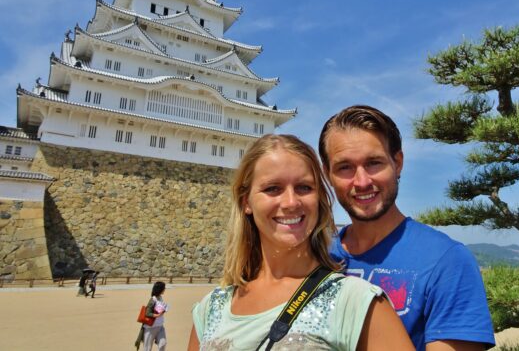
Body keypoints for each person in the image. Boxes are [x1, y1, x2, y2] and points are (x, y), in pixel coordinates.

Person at [188, 134, 414, 351]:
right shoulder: (211, 309)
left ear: (319, 199)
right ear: (246, 201)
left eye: (304, 187)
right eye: (272, 189)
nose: (290, 202)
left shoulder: (355, 303)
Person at [318, 105, 496, 351]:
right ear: (328, 174)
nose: (361, 181)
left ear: (397, 163)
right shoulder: (317, 256)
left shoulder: (447, 261)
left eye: (374, 163)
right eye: (345, 167)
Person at [141, 281, 168, 351]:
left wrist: (164, 310)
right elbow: (147, 313)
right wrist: (157, 315)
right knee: (147, 348)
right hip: (150, 328)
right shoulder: (152, 300)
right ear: (160, 289)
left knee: (163, 344)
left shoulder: (161, 298)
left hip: (160, 326)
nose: (165, 289)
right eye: (164, 288)